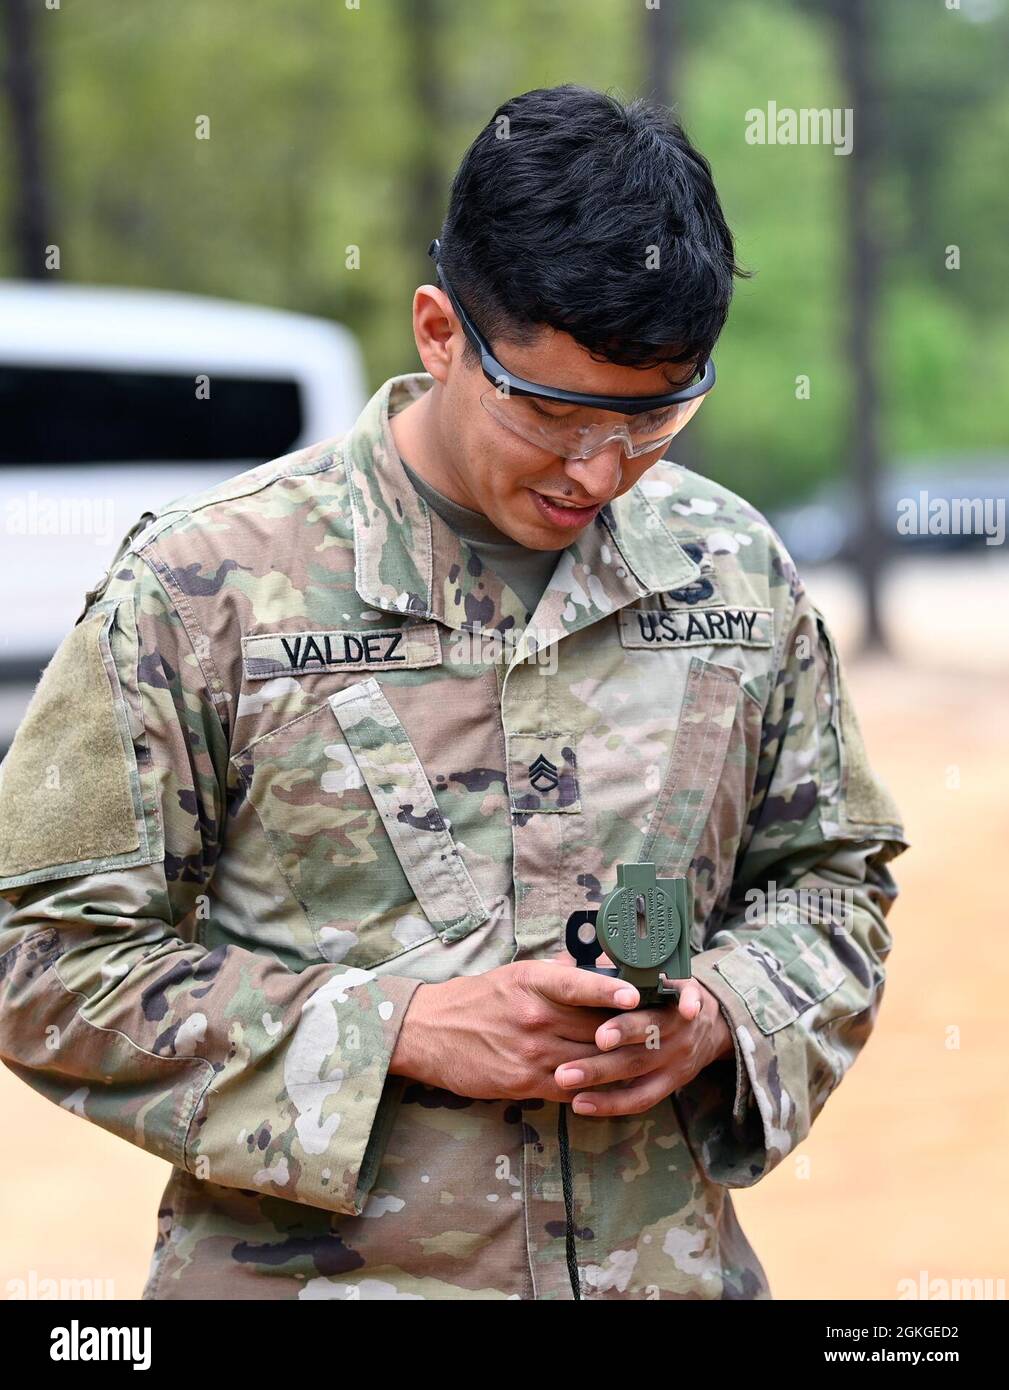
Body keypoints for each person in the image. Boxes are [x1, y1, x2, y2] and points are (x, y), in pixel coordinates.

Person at [0, 84, 908, 1301]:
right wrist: (399, 1032)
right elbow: (41, 947)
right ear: (439, 331)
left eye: (656, 415)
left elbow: (833, 880)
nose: (601, 469)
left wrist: (721, 1014)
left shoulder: (732, 570)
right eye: (551, 410)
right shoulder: (207, 584)